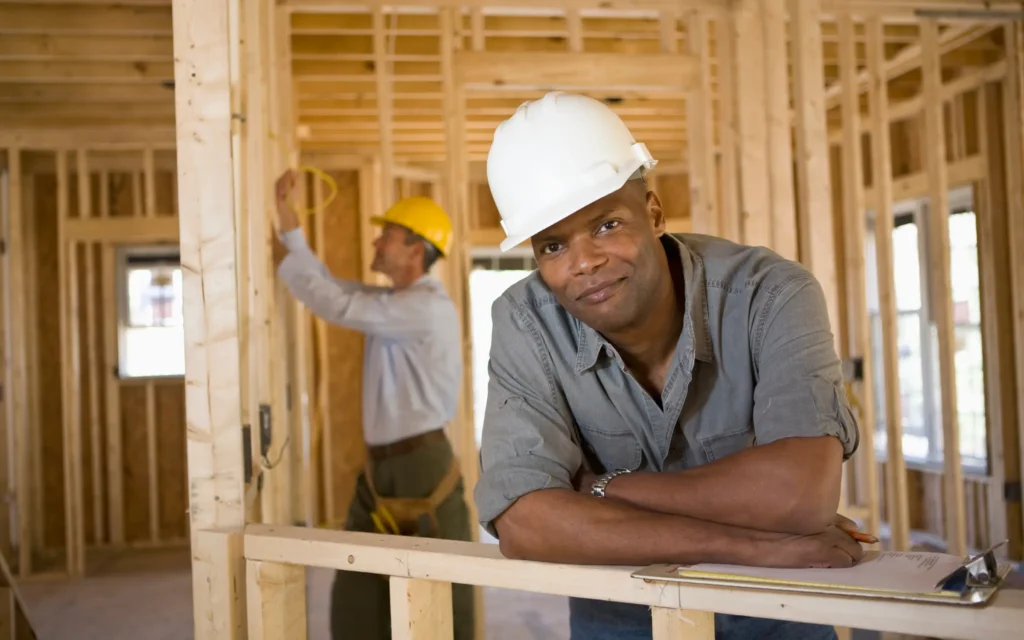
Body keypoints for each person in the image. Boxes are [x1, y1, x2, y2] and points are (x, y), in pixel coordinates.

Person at [474, 91, 867, 640]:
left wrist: (601, 489)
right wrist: (749, 543)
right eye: (553, 246)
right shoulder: (526, 322)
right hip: (622, 621)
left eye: (607, 225)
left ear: (654, 214)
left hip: (778, 617)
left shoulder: (769, 293)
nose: (584, 262)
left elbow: (800, 496)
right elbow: (524, 523)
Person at [271, 169, 474, 640]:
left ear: (416, 250)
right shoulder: (396, 301)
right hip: (382, 467)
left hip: (423, 466)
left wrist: (283, 255)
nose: (376, 242)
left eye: (389, 235)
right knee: (356, 598)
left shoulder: (424, 307)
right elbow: (331, 287)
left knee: (442, 602)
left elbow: (335, 304)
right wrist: (287, 224)